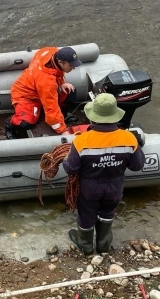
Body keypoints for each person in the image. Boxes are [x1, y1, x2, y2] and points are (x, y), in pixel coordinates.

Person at [61, 93, 145, 255]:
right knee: (107, 211)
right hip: (114, 187)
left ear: (93, 118)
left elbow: (71, 168)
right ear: (115, 116)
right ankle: (103, 243)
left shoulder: (81, 141)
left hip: (89, 188)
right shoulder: (129, 138)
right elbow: (137, 166)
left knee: (86, 214)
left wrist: (65, 158)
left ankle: (85, 244)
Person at [4, 46, 82, 139]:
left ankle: (62, 117)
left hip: (39, 88)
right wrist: (63, 131)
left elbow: (56, 72)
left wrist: (61, 83)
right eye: (70, 65)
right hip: (27, 96)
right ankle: (9, 125)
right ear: (61, 62)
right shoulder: (47, 82)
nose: (73, 68)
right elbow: (51, 107)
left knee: (70, 91)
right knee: (25, 123)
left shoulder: (51, 52)